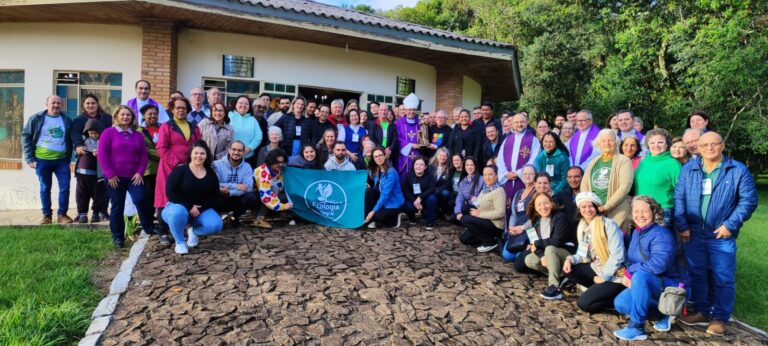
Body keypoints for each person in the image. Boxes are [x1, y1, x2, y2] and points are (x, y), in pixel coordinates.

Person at [675, 131, 757, 336]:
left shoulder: (737, 170)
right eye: (704, 145)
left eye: (714, 144)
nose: (709, 148)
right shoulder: (689, 169)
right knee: (697, 273)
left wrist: (730, 224)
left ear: (723, 145)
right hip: (693, 233)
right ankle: (702, 311)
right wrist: (682, 225)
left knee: (723, 276)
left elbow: (748, 201)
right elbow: (679, 198)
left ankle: (720, 317)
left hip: (722, 234)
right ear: (699, 148)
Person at [613, 196, 681, 341]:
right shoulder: (638, 232)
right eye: (636, 211)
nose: (639, 215)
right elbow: (636, 255)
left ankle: (637, 327)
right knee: (621, 303)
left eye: (644, 211)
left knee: (640, 276)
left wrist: (631, 271)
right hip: (652, 282)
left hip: (671, 285)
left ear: (654, 212)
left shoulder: (661, 234)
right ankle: (665, 312)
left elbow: (659, 264)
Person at [98, 106, 157, 247]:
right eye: (122, 114)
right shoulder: (108, 133)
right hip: (115, 178)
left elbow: (143, 155)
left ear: (132, 117)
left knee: (141, 199)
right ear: (117, 116)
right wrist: (110, 174)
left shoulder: (137, 135)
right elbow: (102, 154)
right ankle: (118, 236)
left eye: (128, 115)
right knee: (117, 206)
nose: (125, 117)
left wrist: (139, 172)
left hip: (134, 177)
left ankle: (148, 227)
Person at [563, 192, 626, 313]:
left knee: (584, 304)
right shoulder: (583, 226)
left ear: (596, 208)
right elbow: (583, 254)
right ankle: (600, 292)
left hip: (614, 273)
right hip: (597, 267)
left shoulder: (608, 225)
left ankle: (617, 297)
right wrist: (569, 259)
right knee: (570, 270)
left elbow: (617, 255)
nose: (587, 210)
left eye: (591, 206)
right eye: (583, 207)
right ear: (579, 209)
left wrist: (605, 277)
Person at [155, 97, 202, 245]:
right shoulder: (166, 126)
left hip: (189, 168)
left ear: (187, 110)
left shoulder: (194, 127)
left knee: (185, 197)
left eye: (183, 107)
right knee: (164, 198)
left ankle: (182, 228)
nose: (181, 110)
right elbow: (161, 148)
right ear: (172, 109)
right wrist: (177, 163)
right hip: (170, 168)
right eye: (177, 107)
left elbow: (198, 145)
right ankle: (163, 231)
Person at [162, 141, 222, 255]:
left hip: (200, 210)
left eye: (202, 153)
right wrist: (189, 206)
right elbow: (170, 193)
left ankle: (193, 231)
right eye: (196, 153)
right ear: (190, 154)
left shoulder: (211, 173)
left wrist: (200, 208)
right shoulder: (180, 171)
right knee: (178, 212)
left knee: (215, 225)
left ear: (207, 156)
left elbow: (215, 196)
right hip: (177, 207)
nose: (198, 156)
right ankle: (180, 242)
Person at [22, 95, 74, 224]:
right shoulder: (36, 118)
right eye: (53, 103)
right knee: (45, 188)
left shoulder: (67, 120)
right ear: (47, 104)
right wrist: (29, 158)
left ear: (62, 105)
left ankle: (62, 214)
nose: (56, 105)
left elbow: (71, 139)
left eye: (58, 103)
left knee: (65, 187)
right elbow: (26, 137)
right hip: (42, 160)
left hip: (61, 160)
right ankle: (47, 215)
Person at [516, 192, 576, 300]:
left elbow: (556, 242)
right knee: (529, 259)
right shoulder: (536, 220)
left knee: (549, 248)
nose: (543, 207)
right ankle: (561, 276)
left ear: (552, 204)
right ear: (534, 207)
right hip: (549, 253)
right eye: (539, 204)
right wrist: (541, 255)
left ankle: (554, 287)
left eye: (545, 203)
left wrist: (537, 244)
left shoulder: (560, 217)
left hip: (567, 254)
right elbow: (535, 246)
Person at [581, 129, 633, 232]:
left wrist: (606, 207)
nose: (607, 144)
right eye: (603, 141)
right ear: (598, 144)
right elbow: (584, 184)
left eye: (610, 140)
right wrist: (590, 205)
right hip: (594, 211)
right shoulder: (594, 161)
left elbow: (625, 187)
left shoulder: (623, 160)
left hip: (617, 211)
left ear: (616, 143)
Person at [634, 128, 681, 228]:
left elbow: (681, 192)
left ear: (667, 144)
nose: (656, 145)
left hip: (662, 211)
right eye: (652, 142)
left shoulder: (673, 164)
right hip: (641, 212)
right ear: (647, 144)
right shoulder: (643, 162)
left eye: (660, 142)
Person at [458, 164, 507, 252]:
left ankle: (490, 242)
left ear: (496, 176)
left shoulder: (499, 191)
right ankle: (491, 238)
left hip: (495, 224)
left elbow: (501, 213)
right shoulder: (486, 189)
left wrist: (480, 214)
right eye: (485, 175)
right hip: (484, 220)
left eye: (490, 174)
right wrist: (475, 202)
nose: (487, 177)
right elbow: (480, 204)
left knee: (464, 219)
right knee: (464, 239)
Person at [497, 113, 540, 212]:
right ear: (512, 124)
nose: (519, 124)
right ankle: (509, 227)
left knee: (524, 208)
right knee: (508, 206)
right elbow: (500, 159)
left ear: (526, 123)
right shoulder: (507, 140)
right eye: (516, 122)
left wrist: (519, 173)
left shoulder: (533, 140)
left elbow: (534, 159)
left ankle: (522, 227)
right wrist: (505, 173)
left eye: (522, 122)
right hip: (508, 180)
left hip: (524, 180)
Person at [213, 141, 257, 227]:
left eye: (240, 150)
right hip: (220, 197)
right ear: (229, 150)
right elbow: (215, 185)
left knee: (252, 197)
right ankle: (217, 218)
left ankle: (235, 217)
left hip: (237, 198)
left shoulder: (247, 167)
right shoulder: (216, 165)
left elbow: (248, 187)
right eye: (234, 149)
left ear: (244, 152)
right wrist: (235, 186)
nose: (236, 152)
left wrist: (230, 192)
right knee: (211, 195)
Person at [74, 119, 107, 224]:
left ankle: (96, 213)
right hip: (82, 171)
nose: (93, 135)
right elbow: (76, 148)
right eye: (90, 133)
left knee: (98, 194)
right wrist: (79, 149)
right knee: (81, 193)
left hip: (98, 174)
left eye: (95, 133)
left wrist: (100, 153)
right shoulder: (83, 140)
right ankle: (82, 214)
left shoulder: (103, 141)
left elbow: (108, 152)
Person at [502, 165, 537, 261]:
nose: (527, 176)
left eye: (531, 174)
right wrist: (511, 227)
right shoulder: (518, 193)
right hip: (516, 229)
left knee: (519, 257)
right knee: (507, 255)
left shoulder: (537, 193)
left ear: (535, 176)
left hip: (530, 228)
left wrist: (523, 228)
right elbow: (514, 214)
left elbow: (536, 218)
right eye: (525, 174)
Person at [364, 147, 405, 229]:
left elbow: (385, 195)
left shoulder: (391, 172)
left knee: (378, 216)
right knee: (368, 192)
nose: (378, 158)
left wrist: (373, 211)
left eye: (380, 155)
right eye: (376, 156)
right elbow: (376, 188)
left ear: (385, 156)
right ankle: (371, 220)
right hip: (382, 199)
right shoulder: (376, 170)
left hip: (393, 202)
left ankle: (391, 219)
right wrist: (367, 185)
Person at [253, 148, 294, 228]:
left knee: (285, 197)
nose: (281, 165)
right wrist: (282, 206)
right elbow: (266, 194)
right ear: (270, 161)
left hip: (269, 193)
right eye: (278, 162)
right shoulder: (263, 171)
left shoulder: (276, 169)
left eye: (282, 162)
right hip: (255, 195)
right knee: (273, 196)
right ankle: (259, 219)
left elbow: (279, 188)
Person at [139, 104, 161, 232]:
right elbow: (144, 150)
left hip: (163, 169)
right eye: (149, 114)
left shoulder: (163, 128)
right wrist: (163, 155)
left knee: (159, 197)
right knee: (148, 198)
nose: (153, 116)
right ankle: (148, 225)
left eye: (155, 114)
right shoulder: (139, 131)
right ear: (144, 115)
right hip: (148, 170)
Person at [401, 157, 438, 230]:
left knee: (432, 198)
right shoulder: (408, 175)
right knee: (406, 205)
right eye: (416, 164)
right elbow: (405, 191)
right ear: (413, 166)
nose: (418, 166)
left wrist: (420, 197)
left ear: (425, 167)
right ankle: (412, 218)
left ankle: (430, 222)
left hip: (425, 199)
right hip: (412, 200)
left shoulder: (430, 176)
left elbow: (432, 189)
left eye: (421, 165)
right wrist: (414, 201)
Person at [229, 95, 263, 167]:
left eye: (246, 104)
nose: (243, 105)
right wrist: (233, 151)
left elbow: (258, 136)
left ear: (249, 106)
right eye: (240, 103)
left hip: (248, 156)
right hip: (229, 155)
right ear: (235, 104)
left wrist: (249, 148)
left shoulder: (253, 120)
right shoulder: (228, 116)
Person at [394, 93, 422, 179]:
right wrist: (411, 145)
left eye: (413, 110)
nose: (411, 112)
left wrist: (421, 144)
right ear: (405, 110)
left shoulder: (420, 122)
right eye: (409, 109)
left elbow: (423, 138)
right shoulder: (398, 123)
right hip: (403, 155)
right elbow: (397, 138)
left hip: (418, 153)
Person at [535, 132, 570, 196]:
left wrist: (554, 192)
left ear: (555, 143)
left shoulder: (562, 157)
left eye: (551, 142)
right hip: (544, 188)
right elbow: (540, 176)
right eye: (545, 141)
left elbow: (565, 179)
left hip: (560, 190)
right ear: (542, 142)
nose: (547, 144)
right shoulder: (540, 156)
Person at [429, 148, 453, 217]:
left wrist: (438, 190)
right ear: (437, 156)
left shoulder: (450, 167)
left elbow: (448, 183)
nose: (442, 157)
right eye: (441, 155)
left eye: (445, 156)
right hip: (431, 189)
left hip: (442, 190)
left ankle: (444, 211)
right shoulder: (430, 166)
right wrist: (432, 189)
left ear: (447, 157)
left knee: (445, 193)